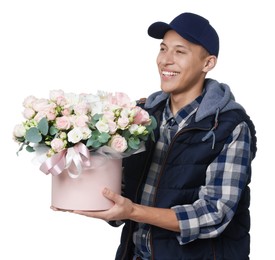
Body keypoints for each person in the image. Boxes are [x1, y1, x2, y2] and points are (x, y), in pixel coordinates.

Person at [61, 12, 257, 259]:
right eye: (163, 49)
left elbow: (213, 214)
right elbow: (123, 190)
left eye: (180, 52)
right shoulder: (141, 116)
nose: (166, 60)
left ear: (207, 63)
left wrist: (132, 211)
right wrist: (81, 187)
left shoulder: (229, 126)